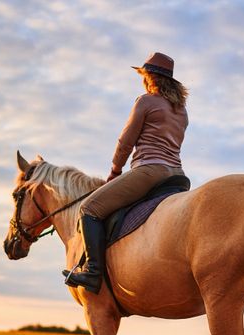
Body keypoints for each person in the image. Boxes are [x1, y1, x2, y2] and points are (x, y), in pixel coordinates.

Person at [64, 52, 189, 293]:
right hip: (178, 176)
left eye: (143, 76)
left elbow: (125, 141)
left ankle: (92, 272)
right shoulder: (181, 110)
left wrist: (115, 171)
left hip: (149, 171)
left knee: (88, 209)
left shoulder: (145, 101)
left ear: (149, 77)